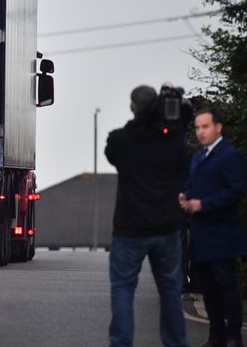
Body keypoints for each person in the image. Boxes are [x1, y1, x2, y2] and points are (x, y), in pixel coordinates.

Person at [105, 85, 189, 347]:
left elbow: (112, 155)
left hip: (129, 229)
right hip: (166, 227)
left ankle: (121, 343)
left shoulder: (120, 140)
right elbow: (183, 170)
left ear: (133, 108)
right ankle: (176, 342)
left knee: (123, 288)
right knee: (170, 291)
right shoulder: (174, 141)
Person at [179, 105, 247, 347]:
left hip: (222, 234)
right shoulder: (198, 158)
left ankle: (234, 336)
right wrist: (186, 197)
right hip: (201, 235)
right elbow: (196, 188)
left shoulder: (230, 156)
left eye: (205, 126)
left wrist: (204, 204)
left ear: (218, 127)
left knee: (226, 286)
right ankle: (215, 335)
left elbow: (236, 190)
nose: (200, 132)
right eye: (197, 127)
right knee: (207, 287)